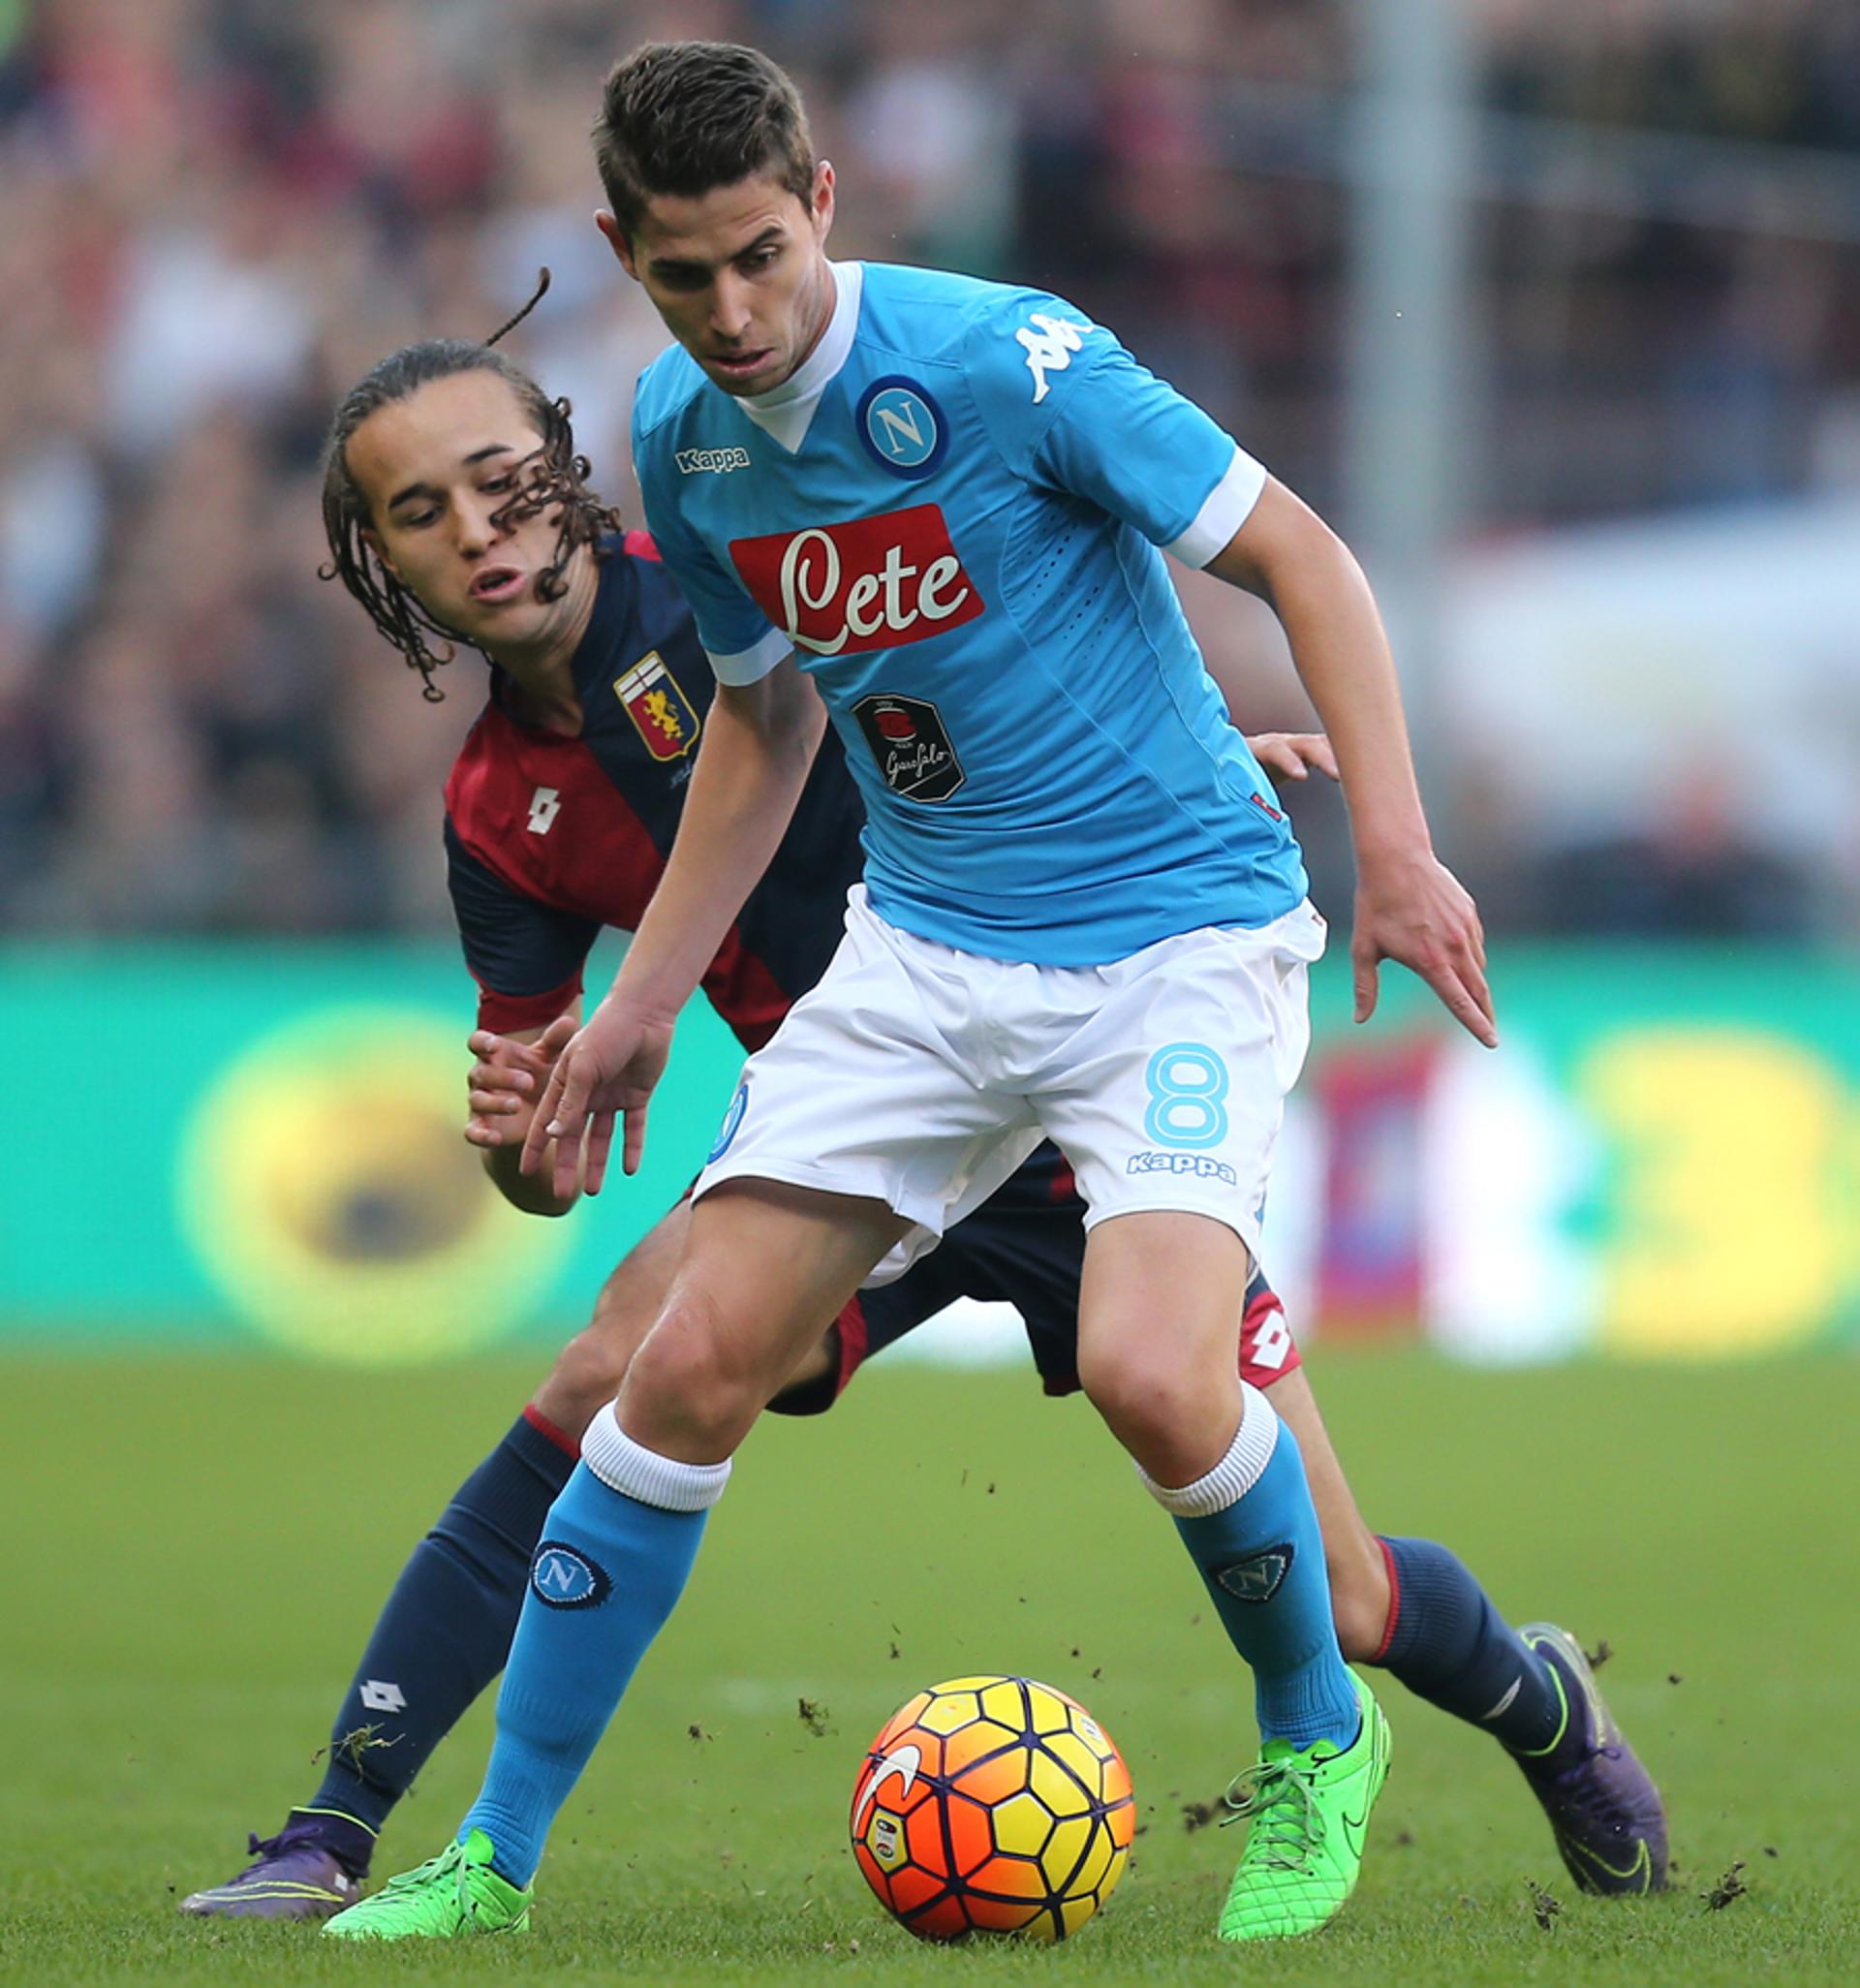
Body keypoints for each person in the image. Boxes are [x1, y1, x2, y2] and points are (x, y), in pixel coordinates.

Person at [179, 333, 1326, 1920]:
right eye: (425, 513)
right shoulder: (494, 808)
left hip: (1068, 1090)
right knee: (612, 1372)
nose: (483, 533)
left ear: (571, 474)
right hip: (864, 1124)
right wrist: (522, 1133)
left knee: (1352, 1579)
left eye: (505, 486)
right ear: (383, 565)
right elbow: (536, 1159)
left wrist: (1168, 782)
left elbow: (974, 669)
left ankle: (1539, 1713)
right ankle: (337, 1827)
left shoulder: (733, 580)